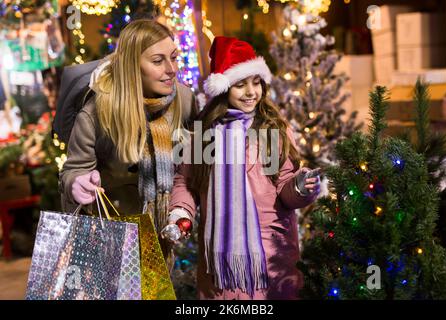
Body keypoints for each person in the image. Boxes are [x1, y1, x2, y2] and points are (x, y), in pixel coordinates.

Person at [166, 36, 321, 299]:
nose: (251, 92)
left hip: (272, 257)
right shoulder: (203, 134)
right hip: (221, 268)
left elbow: (285, 184)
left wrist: (299, 186)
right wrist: (180, 213)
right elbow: (186, 182)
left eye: (256, 82)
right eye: (240, 85)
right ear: (224, 88)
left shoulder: (274, 130)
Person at [58, 19, 197, 261]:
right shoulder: (98, 111)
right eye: (157, 61)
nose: (171, 69)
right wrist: (77, 183)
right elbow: (74, 170)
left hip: (162, 234)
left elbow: (191, 166)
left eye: (173, 57)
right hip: (112, 235)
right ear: (133, 66)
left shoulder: (184, 101)